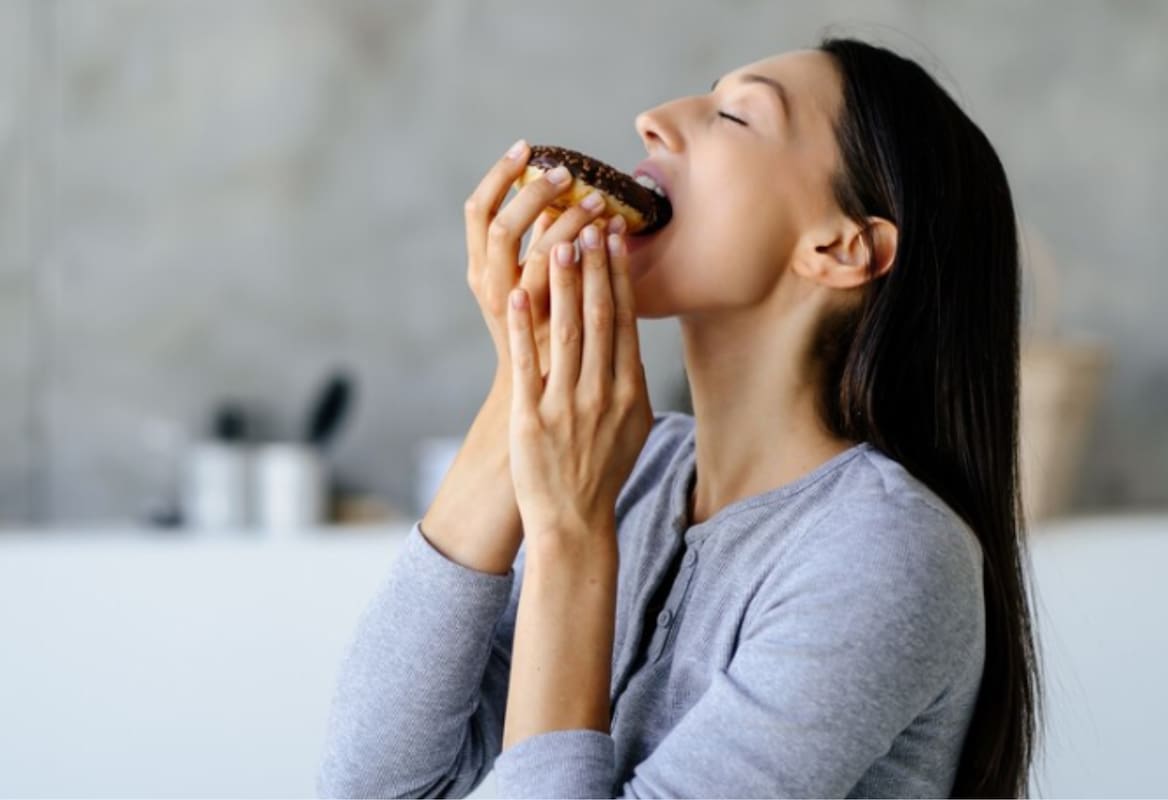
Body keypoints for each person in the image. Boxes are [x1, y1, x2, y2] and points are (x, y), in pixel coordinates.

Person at [316, 36, 1042, 799]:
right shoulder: (629, 466)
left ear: (839, 247)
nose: (653, 120)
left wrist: (571, 535)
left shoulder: (888, 551)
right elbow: (374, 787)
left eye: (735, 117)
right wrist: (523, 383)